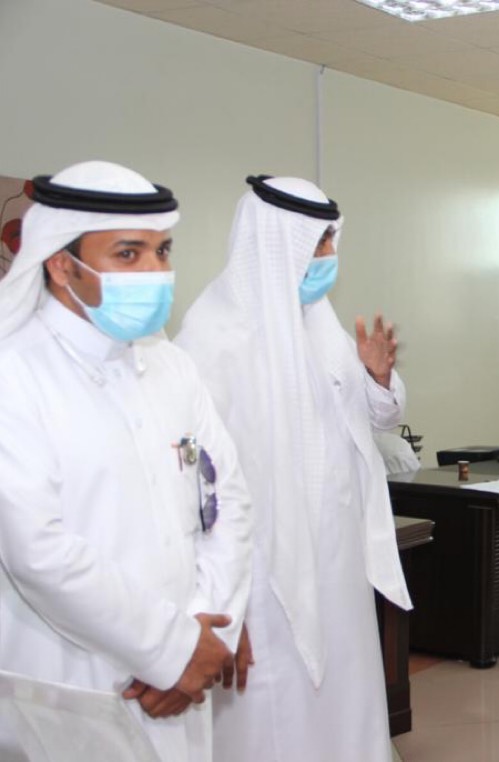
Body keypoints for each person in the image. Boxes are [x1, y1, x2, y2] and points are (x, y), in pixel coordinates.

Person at [0, 160, 253, 760]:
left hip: (185, 670)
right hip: (72, 677)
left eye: (162, 251)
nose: (155, 271)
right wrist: (169, 649)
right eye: (128, 254)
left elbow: (228, 500)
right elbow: (37, 550)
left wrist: (204, 632)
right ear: (62, 265)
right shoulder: (15, 374)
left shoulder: (172, 367)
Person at [175, 175, 412, 762]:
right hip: (262, 571)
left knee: (345, 704)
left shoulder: (321, 325)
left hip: (338, 559)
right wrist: (214, 600)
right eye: (318, 242)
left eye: (331, 240)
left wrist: (379, 378)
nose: (328, 254)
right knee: (275, 717)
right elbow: (193, 486)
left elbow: (375, 419)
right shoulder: (213, 337)